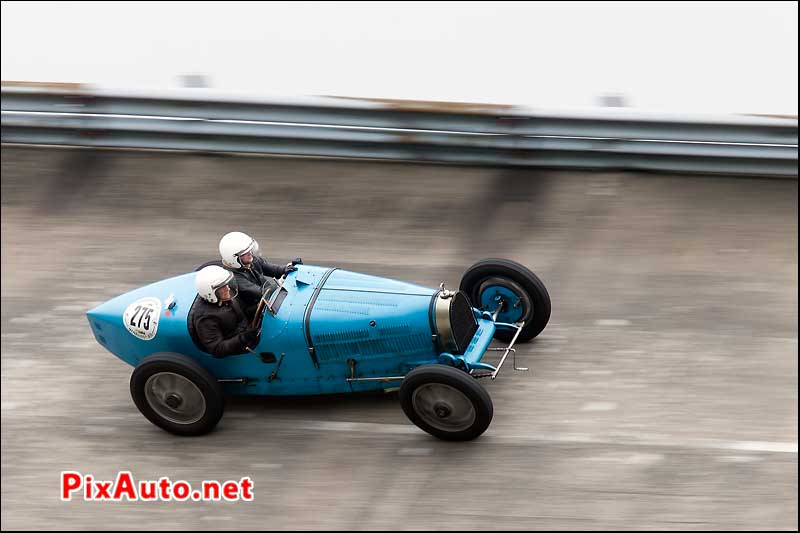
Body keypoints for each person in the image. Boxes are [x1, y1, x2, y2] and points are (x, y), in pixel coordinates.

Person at [218, 231, 297, 318]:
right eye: (245, 253)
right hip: (252, 311)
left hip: (267, 299)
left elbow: (272, 269)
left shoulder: (250, 261)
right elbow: (262, 292)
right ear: (234, 259)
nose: (250, 254)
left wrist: (286, 268)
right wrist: (281, 281)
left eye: (250, 250)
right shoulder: (233, 278)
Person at [192, 265, 260, 358]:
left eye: (226, 284)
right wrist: (243, 338)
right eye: (222, 287)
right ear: (211, 293)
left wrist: (257, 307)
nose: (228, 288)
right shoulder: (206, 319)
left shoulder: (224, 296)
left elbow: (241, 313)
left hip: (246, 331)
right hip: (240, 348)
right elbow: (217, 349)